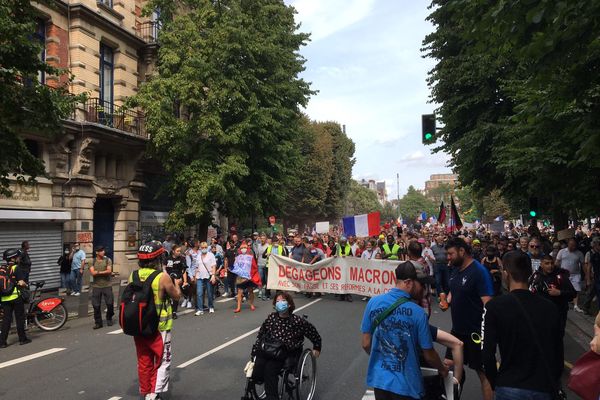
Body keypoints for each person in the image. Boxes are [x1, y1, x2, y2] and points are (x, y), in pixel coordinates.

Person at [361, 262, 448, 400]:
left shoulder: (373, 302)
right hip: (408, 386)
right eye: (422, 285)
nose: (424, 290)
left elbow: (366, 344)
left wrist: (384, 358)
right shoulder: (418, 313)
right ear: (409, 283)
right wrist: (442, 369)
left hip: (380, 382)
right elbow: (429, 355)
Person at [482, 251, 563, 400]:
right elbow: (557, 351)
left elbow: (487, 353)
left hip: (509, 384)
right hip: (543, 386)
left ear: (506, 274)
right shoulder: (550, 307)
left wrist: (495, 382)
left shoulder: (494, 307)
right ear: (530, 273)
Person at [131, 242, 181, 400]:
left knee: (144, 359)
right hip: (160, 326)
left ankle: (146, 390)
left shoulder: (134, 275)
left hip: (139, 325)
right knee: (162, 360)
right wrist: (177, 285)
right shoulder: (162, 277)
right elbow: (176, 296)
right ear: (158, 259)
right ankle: (154, 394)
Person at [445, 237, 494, 400]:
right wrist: (448, 300)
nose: (448, 258)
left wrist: (487, 334)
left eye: (451, 254)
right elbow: (453, 289)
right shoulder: (455, 269)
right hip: (457, 331)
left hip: (475, 333)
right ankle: (454, 394)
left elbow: (488, 304)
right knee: (448, 365)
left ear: (462, 251)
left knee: (483, 373)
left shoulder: (479, 272)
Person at [250, 292, 321, 400]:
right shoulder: (271, 318)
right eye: (277, 301)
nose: (280, 303)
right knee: (257, 367)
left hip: (286, 352)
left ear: (289, 305)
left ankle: (272, 397)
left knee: (270, 369)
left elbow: (313, 333)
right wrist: (255, 349)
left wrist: (317, 346)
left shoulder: (297, 321)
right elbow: (261, 334)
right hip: (269, 349)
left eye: (283, 301)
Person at [529, 254, 576, 338]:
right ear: (541, 264)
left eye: (551, 263)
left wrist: (559, 293)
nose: (550, 266)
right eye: (547, 263)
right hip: (541, 314)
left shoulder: (560, 276)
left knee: (557, 338)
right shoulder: (536, 276)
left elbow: (573, 293)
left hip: (558, 313)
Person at [0, 249, 31, 347]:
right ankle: (22, 339)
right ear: (13, 258)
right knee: (19, 318)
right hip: (16, 297)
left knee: (6, 320)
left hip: (4, 299)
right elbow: (21, 282)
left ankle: (2, 343)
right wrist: (24, 284)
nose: (18, 258)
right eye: (17, 257)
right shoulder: (16, 268)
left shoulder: (1, 268)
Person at [556, 237, 585, 312]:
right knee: (564, 288)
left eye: (574, 245)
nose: (572, 247)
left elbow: (583, 264)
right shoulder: (562, 251)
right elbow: (557, 262)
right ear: (568, 244)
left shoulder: (579, 253)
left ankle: (576, 305)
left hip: (575, 274)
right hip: (563, 274)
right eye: (571, 245)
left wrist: (586, 274)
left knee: (576, 289)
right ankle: (564, 302)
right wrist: (555, 271)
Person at [231, 242, 262, 313]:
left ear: (247, 249)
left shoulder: (250, 257)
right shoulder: (238, 257)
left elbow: (254, 266)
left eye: (244, 248)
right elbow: (235, 266)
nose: (243, 249)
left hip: (249, 277)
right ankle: (238, 307)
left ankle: (251, 304)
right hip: (241, 276)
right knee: (239, 292)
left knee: (250, 291)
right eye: (242, 248)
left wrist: (252, 275)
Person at [89, 246, 114, 329]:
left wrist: (98, 272)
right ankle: (98, 322)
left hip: (107, 285)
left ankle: (109, 317)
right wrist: (104, 272)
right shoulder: (92, 261)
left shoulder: (108, 260)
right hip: (96, 286)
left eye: (103, 250)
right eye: (101, 251)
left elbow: (109, 271)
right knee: (96, 305)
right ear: (97, 252)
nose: (103, 252)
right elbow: (92, 273)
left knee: (110, 304)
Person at [165, 244, 189, 318]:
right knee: (168, 296)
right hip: (168, 279)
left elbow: (184, 270)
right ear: (173, 251)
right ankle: (167, 310)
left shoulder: (182, 259)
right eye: (177, 251)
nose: (179, 252)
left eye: (180, 251)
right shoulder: (167, 259)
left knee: (176, 295)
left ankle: (174, 312)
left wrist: (184, 281)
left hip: (178, 278)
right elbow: (164, 269)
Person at [192, 242, 216, 315]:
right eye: (202, 247)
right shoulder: (198, 256)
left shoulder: (210, 255)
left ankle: (211, 306)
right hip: (199, 276)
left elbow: (213, 266)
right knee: (199, 293)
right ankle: (200, 309)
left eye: (205, 247)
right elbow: (196, 267)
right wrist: (195, 276)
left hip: (208, 276)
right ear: (200, 248)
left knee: (209, 293)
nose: (204, 249)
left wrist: (213, 275)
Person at [431, 235, 450, 309]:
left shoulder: (446, 247)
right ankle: (440, 296)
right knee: (438, 281)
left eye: (442, 240)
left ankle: (446, 296)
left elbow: (449, 255)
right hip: (437, 265)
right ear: (437, 241)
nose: (441, 241)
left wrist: (449, 262)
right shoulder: (433, 248)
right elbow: (430, 255)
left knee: (446, 282)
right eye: (440, 240)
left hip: (445, 265)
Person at [583, 237, 600, 313]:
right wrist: (588, 278)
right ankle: (586, 307)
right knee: (591, 293)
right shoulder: (591, 254)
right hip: (595, 278)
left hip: (597, 278)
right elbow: (588, 266)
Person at [255, 234, 269, 300]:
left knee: (266, 279)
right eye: (261, 238)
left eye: (263, 238)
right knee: (260, 278)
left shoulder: (268, 246)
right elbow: (257, 255)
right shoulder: (258, 246)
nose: (262, 239)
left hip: (266, 265)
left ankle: (266, 291)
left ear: (266, 239)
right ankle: (260, 291)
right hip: (259, 264)